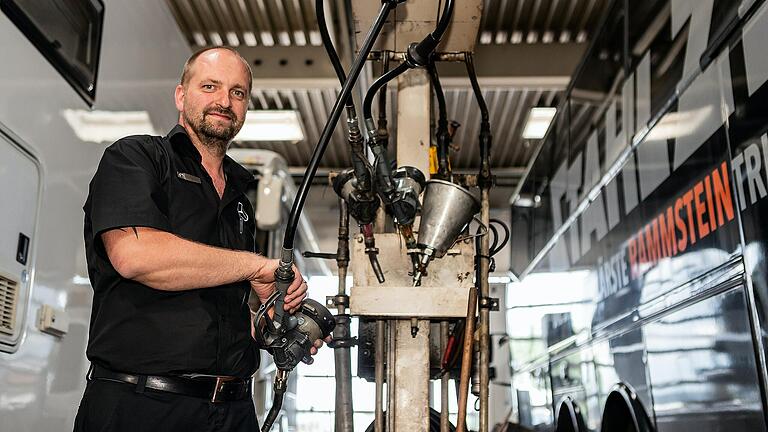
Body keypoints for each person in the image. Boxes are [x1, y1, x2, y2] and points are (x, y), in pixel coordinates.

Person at [74, 46, 325, 431]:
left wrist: (268, 323)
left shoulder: (240, 196)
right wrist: (256, 266)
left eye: (238, 93)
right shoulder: (137, 157)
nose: (224, 101)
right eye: (210, 86)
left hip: (233, 410)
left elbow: (222, 304)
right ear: (181, 95)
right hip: (142, 407)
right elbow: (134, 256)